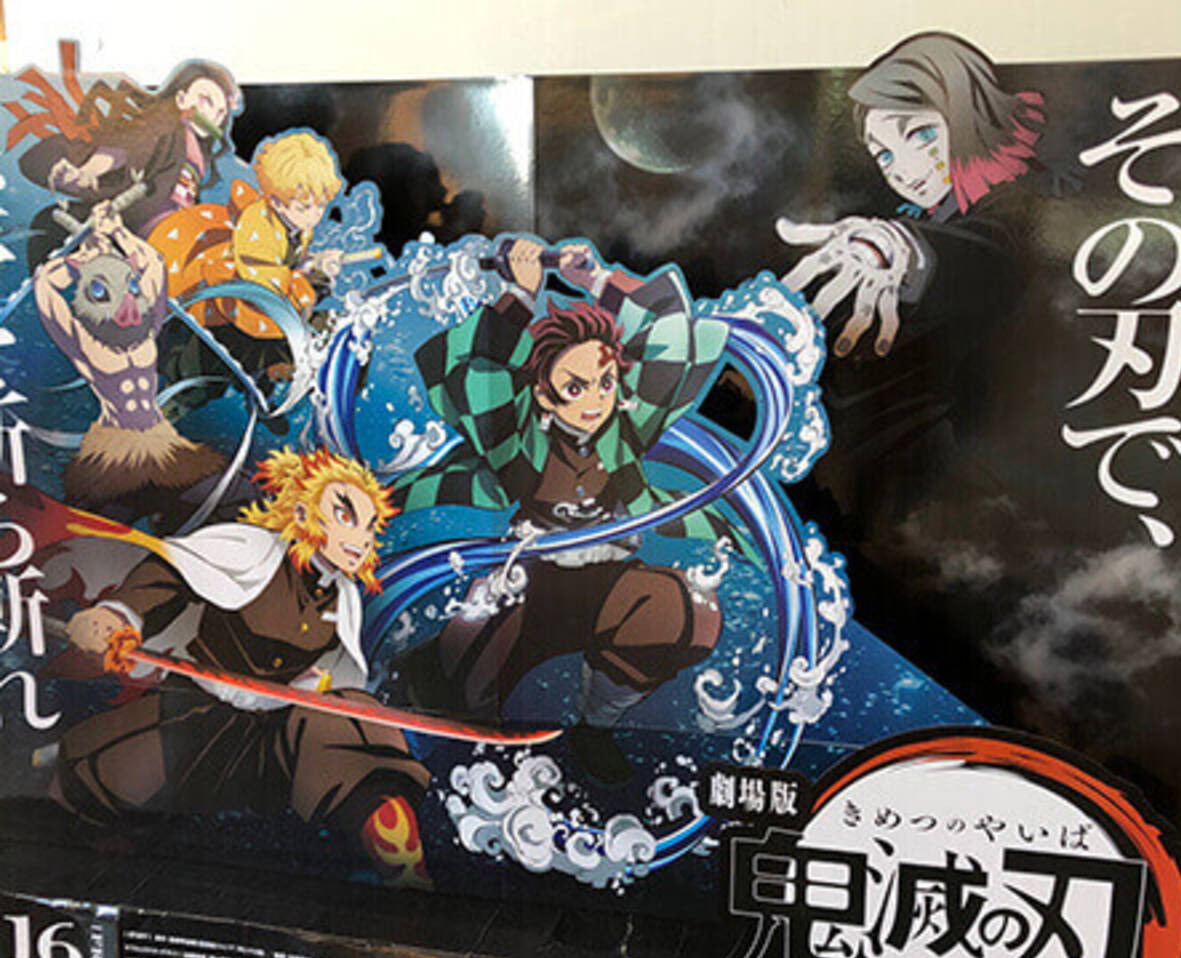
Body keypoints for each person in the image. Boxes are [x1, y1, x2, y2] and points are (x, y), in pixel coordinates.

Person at [394, 239, 735, 783]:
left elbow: (672, 328)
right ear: (544, 394)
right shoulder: (518, 441)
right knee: (462, 676)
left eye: (605, 383)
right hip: (529, 587)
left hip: (608, 584)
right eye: (575, 388)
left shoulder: (626, 428)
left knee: (687, 612)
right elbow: (469, 372)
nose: (595, 401)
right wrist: (519, 296)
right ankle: (430, 680)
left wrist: (596, 280)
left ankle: (595, 727)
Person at [53, 447, 432, 886]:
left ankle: (406, 871)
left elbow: (341, 680)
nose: (361, 538)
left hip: (274, 739)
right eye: (346, 516)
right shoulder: (250, 548)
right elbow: (168, 574)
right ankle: (107, 864)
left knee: (358, 727)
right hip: (197, 718)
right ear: (303, 512)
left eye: (369, 526)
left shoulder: (344, 598)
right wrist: (118, 616)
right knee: (94, 769)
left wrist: (317, 689)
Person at [775, 32, 1047, 535]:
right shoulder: (937, 210)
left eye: (920, 135)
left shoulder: (1018, 201)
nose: (904, 169)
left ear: (968, 113)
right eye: (884, 155)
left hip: (984, 503)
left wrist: (903, 251)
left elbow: (992, 255)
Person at [32, 200, 225, 520]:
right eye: (102, 291)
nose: (127, 303)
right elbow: (45, 285)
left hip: (164, 443)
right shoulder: (87, 345)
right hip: (115, 455)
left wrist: (118, 232)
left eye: (131, 288)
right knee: (100, 521)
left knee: (213, 496)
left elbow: (154, 264)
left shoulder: (146, 330)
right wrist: (78, 263)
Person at [151, 130, 347, 389]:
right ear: (277, 201)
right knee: (210, 372)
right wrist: (312, 274)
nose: (313, 216)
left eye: (320, 206)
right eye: (304, 208)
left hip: (251, 301)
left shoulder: (294, 224)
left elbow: (285, 263)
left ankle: (272, 373)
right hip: (226, 302)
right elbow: (266, 287)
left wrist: (314, 262)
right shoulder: (258, 227)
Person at [10, 48, 240, 258]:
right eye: (206, 100)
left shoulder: (196, 150)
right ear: (181, 99)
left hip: (174, 230)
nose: (213, 115)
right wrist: (89, 171)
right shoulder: (165, 127)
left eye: (221, 112)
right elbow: (124, 149)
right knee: (50, 225)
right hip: (144, 227)